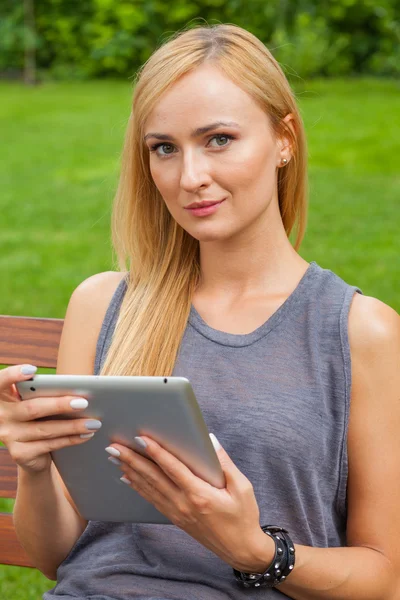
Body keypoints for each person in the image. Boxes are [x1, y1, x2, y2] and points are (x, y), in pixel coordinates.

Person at [1, 22, 399, 600]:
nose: (190, 178)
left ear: (284, 139)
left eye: (218, 139)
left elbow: (385, 580)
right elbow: (54, 556)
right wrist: (34, 469)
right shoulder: (105, 304)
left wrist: (254, 549)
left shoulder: (359, 331)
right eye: (165, 148)